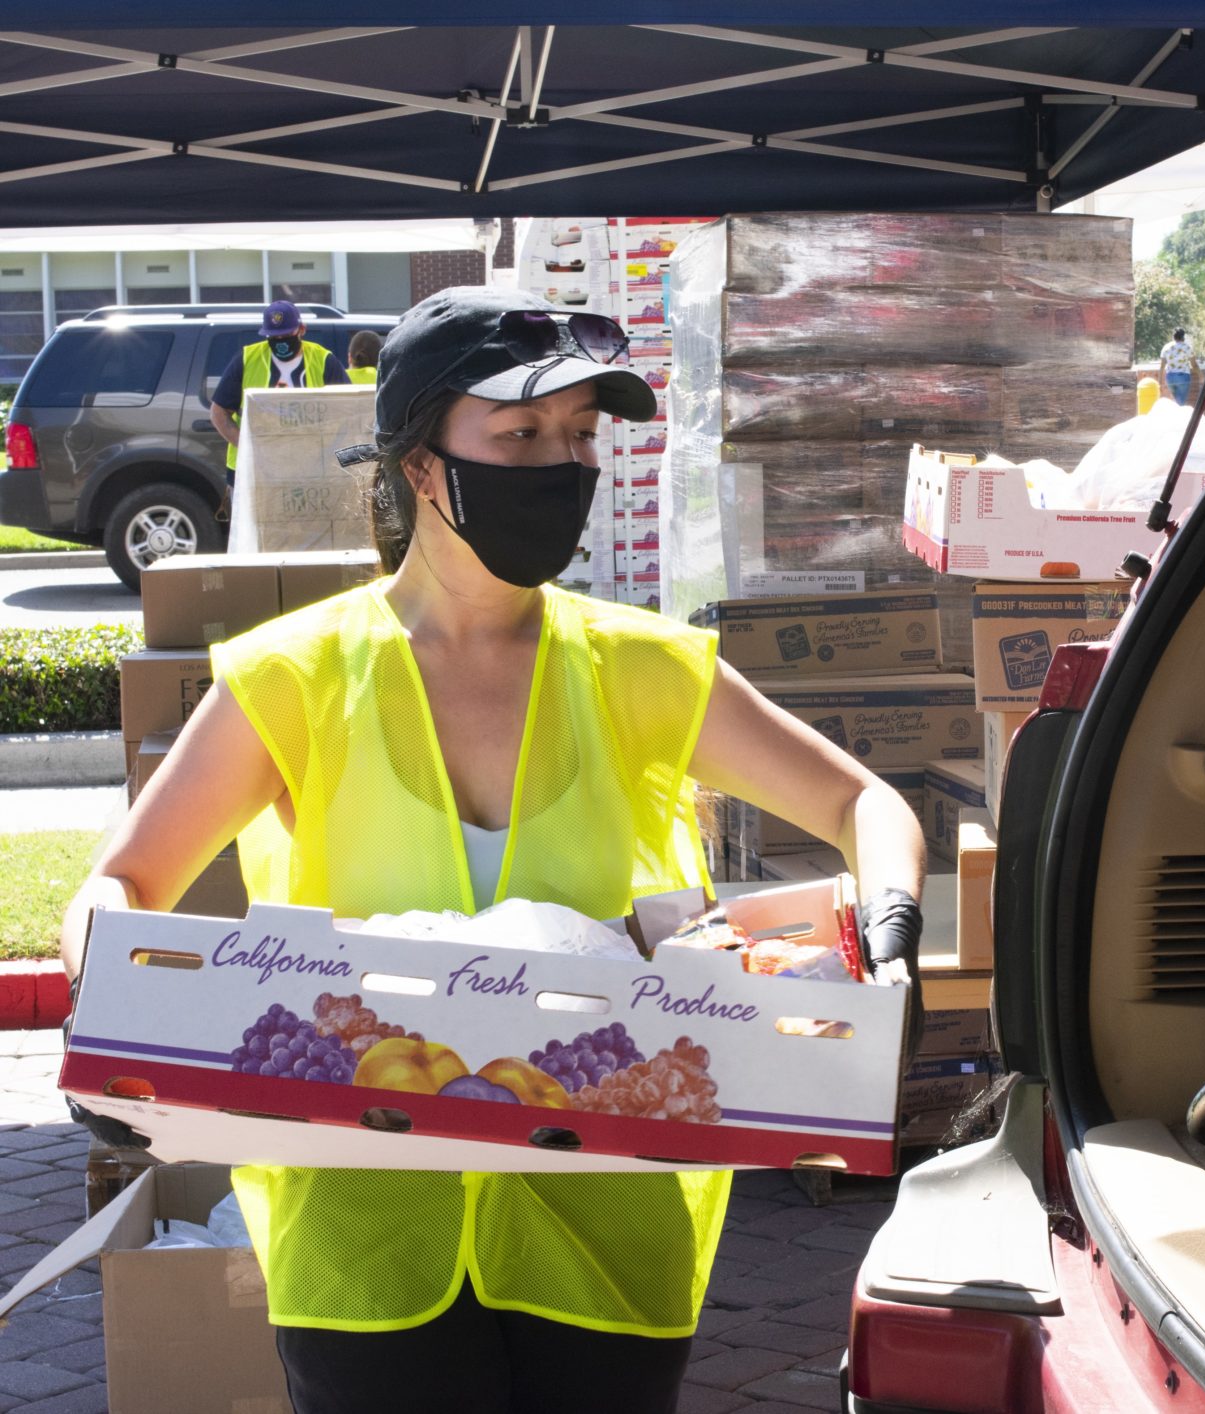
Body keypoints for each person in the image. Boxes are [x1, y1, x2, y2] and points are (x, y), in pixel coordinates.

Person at [59, 287, 927, 1414]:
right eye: (519, 435)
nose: (559, 465)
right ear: (421, 465)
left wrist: (890, 937)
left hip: (605, 1218)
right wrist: (102, 989)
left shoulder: (641, 667)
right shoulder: (294, 675)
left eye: (577, 436)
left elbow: (867, 804)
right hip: (364, 1232)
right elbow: (124, 881)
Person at [210, 299, 352, 484]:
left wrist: (329, 452)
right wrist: (248, 447)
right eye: (273, 337)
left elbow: (348, 410)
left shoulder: (323, 360)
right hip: (253, 470)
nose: (280, 342)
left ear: (302, 329)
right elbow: (218, 412)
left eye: (286, 335)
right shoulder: (247, 359)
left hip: (310, 470)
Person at [1159, 327, 1196, 407]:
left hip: (1170, 377)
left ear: (1173, 336)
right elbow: (1194, 365)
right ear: (1183, 337)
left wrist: (1159, 381)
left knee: (1173, 401)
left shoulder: (1166, 347)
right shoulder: (1187, 347)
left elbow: (1162, 366)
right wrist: (1201, 375)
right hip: (1183, 377)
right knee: (1180, 403)